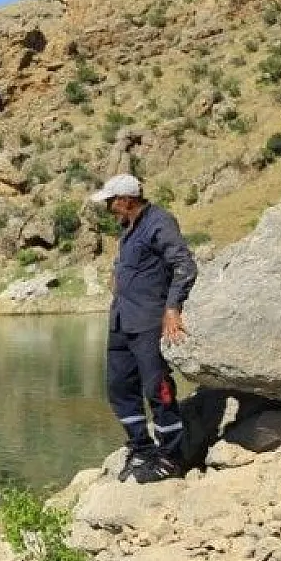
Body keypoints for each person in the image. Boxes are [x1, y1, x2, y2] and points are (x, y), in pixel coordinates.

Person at [90, 173, 198, 484]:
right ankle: (141, 448)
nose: (108, 207)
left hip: (149, 322)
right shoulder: (128, 228)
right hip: (121, 321)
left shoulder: (159, 222)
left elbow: (184, 265)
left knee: (157, 389)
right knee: (119, 388)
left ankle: (171, 456)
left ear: (126, 199)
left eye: (111, 201)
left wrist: (172, 308)